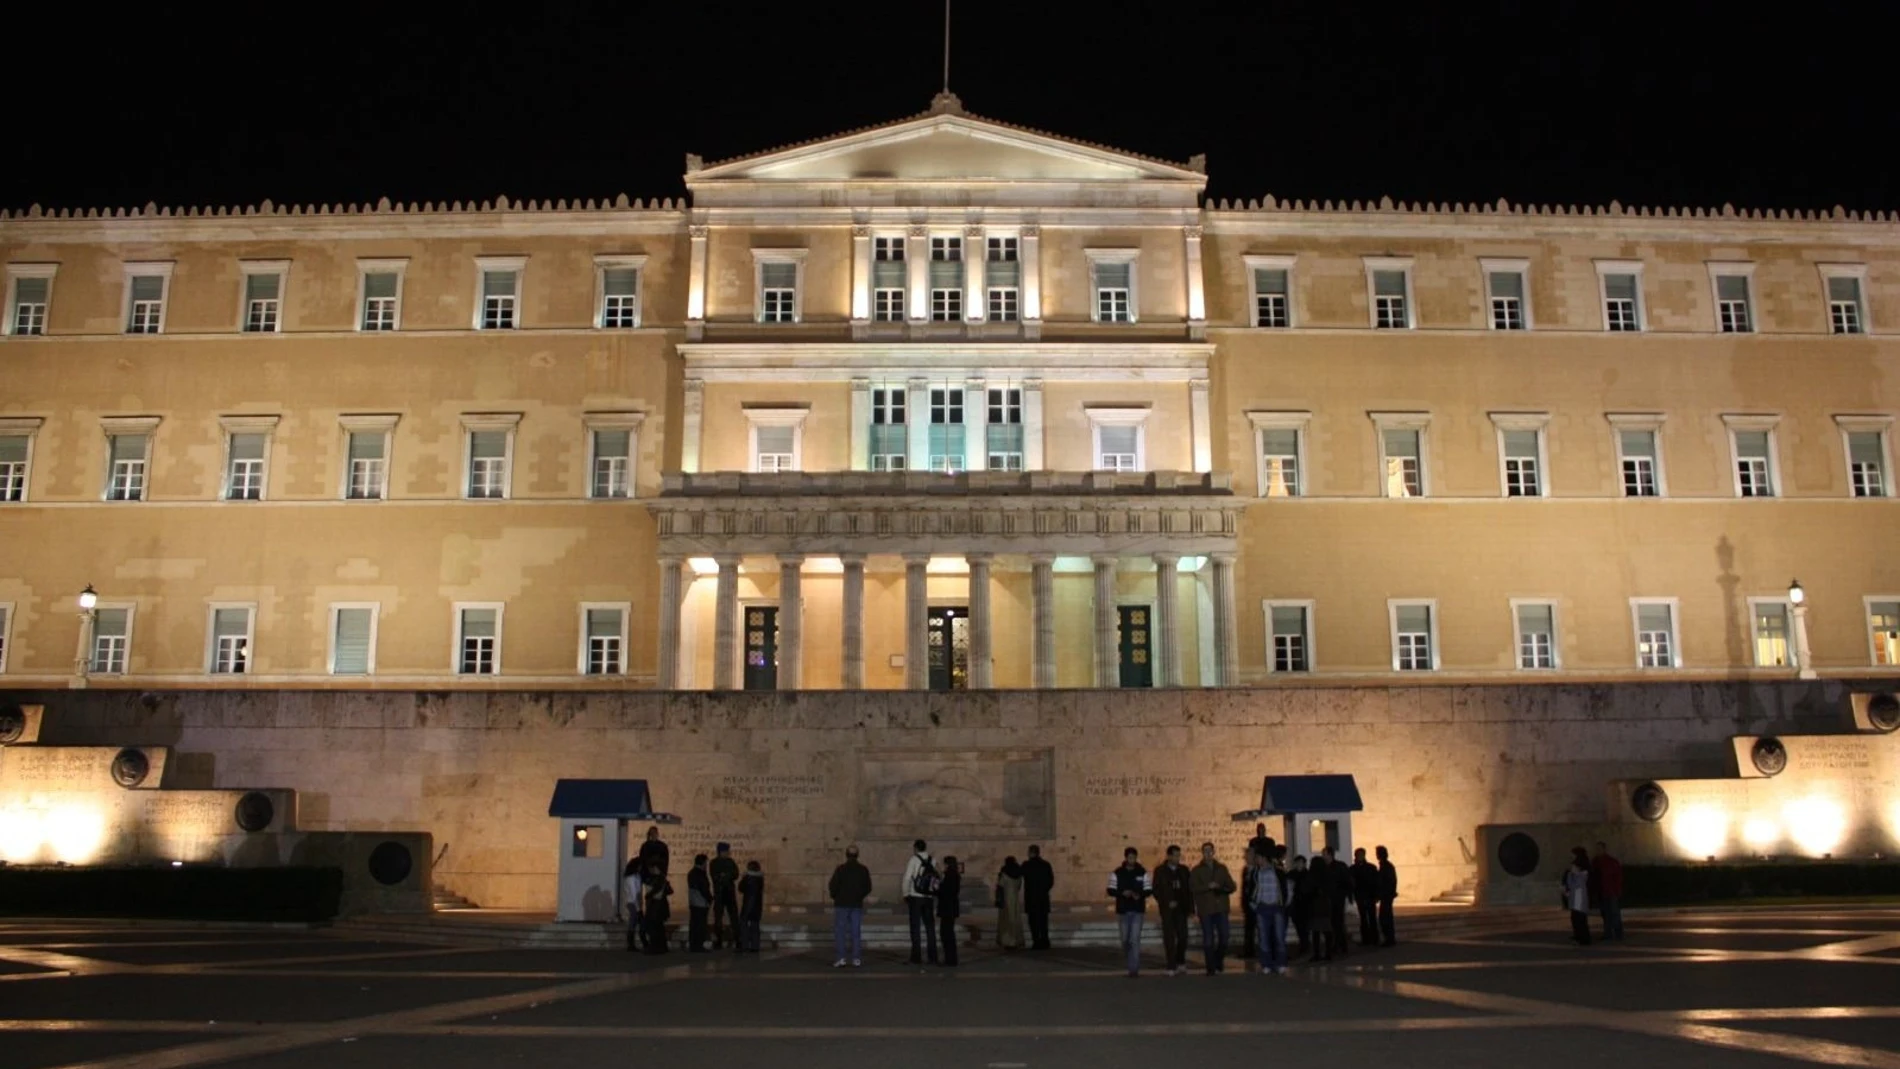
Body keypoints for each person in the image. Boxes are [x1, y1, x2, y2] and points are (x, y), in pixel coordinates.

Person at [1190, 841, 1237, 975]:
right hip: (1206, 909)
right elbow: (1193, 888)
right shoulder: (1197, 870)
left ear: (1213, 852)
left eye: (1210, 851)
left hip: (1221, 907)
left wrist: (1221, 887)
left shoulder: (1221, 868)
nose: (1208, 853)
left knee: (1224, 936)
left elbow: (1231, 886)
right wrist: (1207, 886)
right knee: (1208, 939)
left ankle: (1218, 960)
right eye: (1205, 851)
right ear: (1202, 853)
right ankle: (1210, 967)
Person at [1108, 846, 1153, 978]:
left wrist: (1139, 894)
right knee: (1125, 939)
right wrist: (1122, 893)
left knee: (1135, 939)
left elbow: (1148, 889)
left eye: (1134, 858)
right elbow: (1110, 889)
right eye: (1130, 858)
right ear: (1126, 858)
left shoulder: (1142, 872)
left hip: (1137, 909)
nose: (1132, 860)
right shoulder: (1118, 872)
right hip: (1123, 910)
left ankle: (1134, 969)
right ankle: (1130, 960)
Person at [1151, 844, 1194, 976]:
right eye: (1175, 855)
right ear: (1169, 856)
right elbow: (1156, 890)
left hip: (1181, 908)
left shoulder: (1184, 870)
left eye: (1178, 855)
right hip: (1168, 909)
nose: (1177, 858)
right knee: (1169, 938)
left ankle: (1180, 961)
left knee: (1183, 937)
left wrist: (1191, 908)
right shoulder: (1160, 871)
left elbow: (1189, 890)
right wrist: (1166, 902)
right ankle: (1171, 964)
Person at [827, 844, 872, 968]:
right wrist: (860, 896)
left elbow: (832, 885)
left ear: (846, 855)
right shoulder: (863, 869)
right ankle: (856, 958)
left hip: (841, 904)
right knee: (855, 932)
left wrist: (836, 896)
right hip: (856, 904)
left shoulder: (840, 869)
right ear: (857, 855)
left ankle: (841, 958)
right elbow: (868, 887)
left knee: (840, 932)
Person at [901, 839, 940, 965]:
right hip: (928, 897)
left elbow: (907, 878)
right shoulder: (932, 860)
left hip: (915, 896)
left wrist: (905, 893)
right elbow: (937, 877)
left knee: (915, 927)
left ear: (916, 848)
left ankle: (916, 957)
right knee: (930, 928)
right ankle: (932, 957)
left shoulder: (914, 859)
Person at [1251, 846, 1288, 975]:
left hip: (1276, 907)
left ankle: (1281, 963)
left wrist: (1283, 903)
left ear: (1263, 858)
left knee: (1279, 936)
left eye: (1257, 857)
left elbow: (1284, 888)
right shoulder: (1256, 872)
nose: (1256, 860)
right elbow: (1253, 889)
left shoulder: (1278, 871)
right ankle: (1266, 964)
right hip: (1262, 907)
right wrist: (1254, 904)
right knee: (1263, 937)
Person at [1240, 829, 1275, 960]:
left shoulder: (1260, 870)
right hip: (1249, 904)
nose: (1245, 858)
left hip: (1259, 904)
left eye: (1248, 855)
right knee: (1249, 929)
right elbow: (1245, 888)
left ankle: (1266, 953)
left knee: (1263, 930)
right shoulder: (1246, 870)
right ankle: (1249, 951)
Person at [1305, 850, 1337, 962]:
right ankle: (1328, 953)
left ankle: (1317, 953)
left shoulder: (1311, 876)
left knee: (1316, 931)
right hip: (1325, 905)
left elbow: (1306, 890)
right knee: (1327, 930)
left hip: (1314, 906)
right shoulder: (1327, 875)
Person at [1021, 844, 1055, 950]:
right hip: (1043, 897)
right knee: (1043, 921)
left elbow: (1018, 874)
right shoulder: (1046, 865)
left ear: (1031, 853)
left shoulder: (1027, 865)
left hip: (1031, 898)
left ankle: (1036, 941)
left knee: (1033, 922)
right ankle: (1045, 941)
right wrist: (1044, 890)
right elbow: (1050, 881)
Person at [1590, 841, 1625, 941]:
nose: (1598, 851)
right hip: (1602, 892)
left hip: (1611, 891)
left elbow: (1617, 877)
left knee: (1614, 913)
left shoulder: (1611, 862)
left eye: (1600, 848)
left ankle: (1618, 933)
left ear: (1604, 849)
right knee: (1605, 914)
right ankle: (1608, 933)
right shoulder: (1595, 862)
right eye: (1597, 849)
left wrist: (1617, 890)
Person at [709, 842, 740, 950]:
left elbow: (735, 874)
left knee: (734, 917)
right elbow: (715, 876)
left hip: (729, 893)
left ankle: (738, 939)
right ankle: (718, 940)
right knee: (718, 918)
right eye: (726, 851)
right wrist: (726, 876)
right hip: (719, 893)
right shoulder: (714, 863)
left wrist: (725, 876)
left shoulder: (730, 862)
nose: (728, 853)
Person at [1324, 846, 1352, 960]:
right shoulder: (1326, 867)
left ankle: (1341, 945)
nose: (1323, 856)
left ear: (1330, 855)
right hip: (1330, 898)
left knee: (1338, 922)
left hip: (1338, 898)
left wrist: (1345, 894)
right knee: (1334, 922)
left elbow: (1347, 881)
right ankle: (1338, 944)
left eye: (1324, 854)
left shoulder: (1339, 866)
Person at [1350, 847, 1380, 947]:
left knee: (1371, 918)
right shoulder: (1353, 869)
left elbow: (1376, 883)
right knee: (1364, 919)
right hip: (1361, 896)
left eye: (1361, 855)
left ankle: (1374, 939)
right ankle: (1367, 939)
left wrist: (1376, 895)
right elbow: (1352, 884)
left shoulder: (1371, 868)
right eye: (1358, 855)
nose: (1360, 857)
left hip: (1369, 896)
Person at [641, 860, 673, 954]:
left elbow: (656, 890)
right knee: (659, 927)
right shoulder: (661, 879)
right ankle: (662, 947)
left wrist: (649, 895)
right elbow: (669, 891)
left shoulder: (659, 879)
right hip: (659, 905)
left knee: (654, 927)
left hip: (657, 905)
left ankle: (655, 947)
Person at [995, 856, 1026, 950]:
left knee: (1006, 920)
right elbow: (1019, 886)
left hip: (1006, 898)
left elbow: (1000, 886)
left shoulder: (1004, 873)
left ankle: (1008, 941)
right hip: (1015, 898)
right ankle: (1016, 940)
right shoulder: (1019, 874)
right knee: (1015, 919)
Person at [937, 855, 963, 967]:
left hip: (947, 908)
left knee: (946, 934)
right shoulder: (955, 875)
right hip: (951, 907)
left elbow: (945, 891)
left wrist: (938, 887)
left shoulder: (949, 875)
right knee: (948, 933)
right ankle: (950, 958)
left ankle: (950, 959)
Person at [1563, 847, 1592, 946]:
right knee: (1575, 918)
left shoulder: (1583, 873)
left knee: (1580, 919)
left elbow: (1577, 884)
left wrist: (1573, 874)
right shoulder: (1575, 872)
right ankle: (1578, 936)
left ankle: (1583, 938)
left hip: (1579, 897)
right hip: (1575, 897)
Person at [1285, 855, 1312, 953]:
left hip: (1305, 905)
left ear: (1304, 864)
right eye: (1297, 863)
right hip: (1295, 905)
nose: (1299, 865)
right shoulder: (1291, 874)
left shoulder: (1308, 874)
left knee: (1304, 927)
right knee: (1299, 926)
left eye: (1301, 863)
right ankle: (1303, 944)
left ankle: (1305, 945)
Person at [686, 853, 712, 952]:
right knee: (700, 925)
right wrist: (709, 898)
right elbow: (703, 888)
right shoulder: (699, 874)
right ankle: (698, 945)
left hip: (694, 901)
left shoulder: (692, 873)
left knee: (694, 924)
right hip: (700, 902)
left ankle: (694, 944)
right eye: (706, 863)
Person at [738, 859, 764, 952]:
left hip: (748, 905)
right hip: (757, 906)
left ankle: (744, 945)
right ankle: (755, 946)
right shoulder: (760, 878)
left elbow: (740, 888)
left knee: (744, 926)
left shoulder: (748, 878)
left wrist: (743, 878)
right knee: (755, 926)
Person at [1375, 845, 1398, 947]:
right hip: (1386, 895)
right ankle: (1389, 938)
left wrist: (1384, 894)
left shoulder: (1386, 866)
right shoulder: (1385, 866)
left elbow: (1389, 882)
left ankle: (1389, 938)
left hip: (1386, 896)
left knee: (1385, 917)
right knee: (1385, 917)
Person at [622, 856, 645, 952]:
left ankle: (635, 943)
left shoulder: (636, 876)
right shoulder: (631, 878)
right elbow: (633, 893)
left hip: (635, 902)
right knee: (634, 922)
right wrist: (638, 907)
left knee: (636, 922)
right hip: (633, 902)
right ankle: (631, 944)